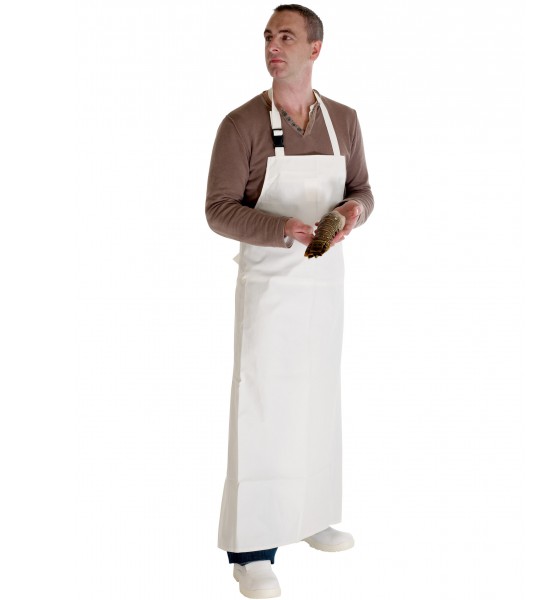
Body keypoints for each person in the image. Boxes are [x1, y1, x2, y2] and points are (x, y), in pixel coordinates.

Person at [205, 5, 374, 598]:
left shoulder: (344, 120)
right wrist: (283, 229)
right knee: (265, 409)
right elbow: (218, 210)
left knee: (316, 403)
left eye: (286, 36)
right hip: (270, 289)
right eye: (268, 37)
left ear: (315, 49)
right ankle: (251, 550)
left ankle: (311, 515)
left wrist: (351, 212)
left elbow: (363, 190)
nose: (273, 46)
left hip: (324, 289)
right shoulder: (242, 125)